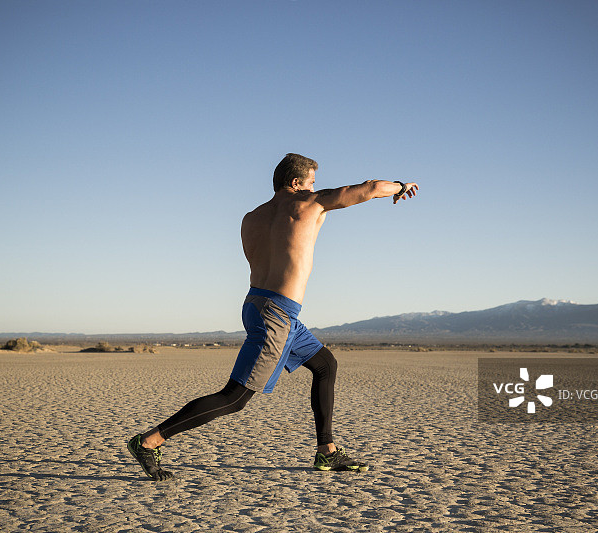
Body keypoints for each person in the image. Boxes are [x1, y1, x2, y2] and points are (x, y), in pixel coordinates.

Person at [128, 153, 419, 481]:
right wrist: (399, 186)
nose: (314, 188)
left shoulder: (250, 218)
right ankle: (149, 441)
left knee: (325, 365)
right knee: (235, 398)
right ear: (295, 183)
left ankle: (327, 453)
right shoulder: (309, 204)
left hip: (260, 305)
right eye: (310, 182)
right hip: (277, 314)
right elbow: (368, 188)